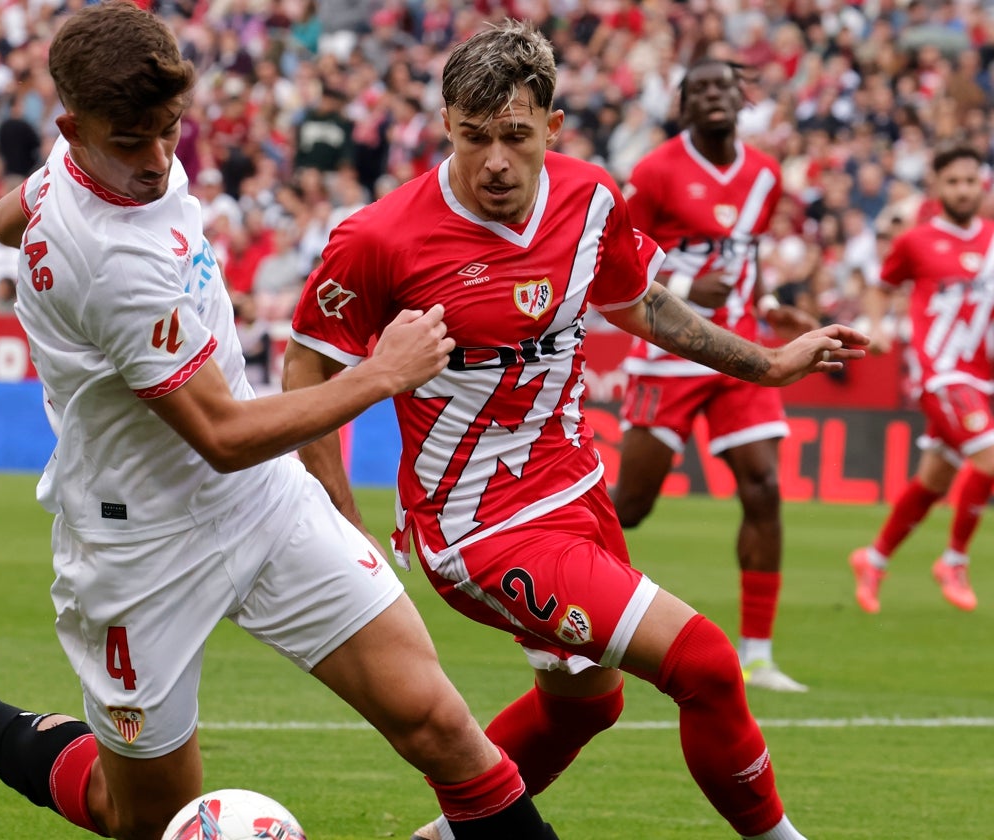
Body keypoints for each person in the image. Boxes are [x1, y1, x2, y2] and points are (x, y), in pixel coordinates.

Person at [0, 6, 560, 840]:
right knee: (138, 818)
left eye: (168, 132)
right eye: (130, 140)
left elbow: (12, 217)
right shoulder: (109, 263)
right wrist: (380, 374)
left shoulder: (81, 161)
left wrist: (48, 216)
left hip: (261, 501)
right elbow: (219, 436)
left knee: (442, 728)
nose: (155, 162)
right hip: (140, 543)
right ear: (72, 127)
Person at [284, 21, 866, 840]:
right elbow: (306, 369)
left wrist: (766, 366)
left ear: (552, 129)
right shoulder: (380, 237)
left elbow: (640, 303)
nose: (493, 160)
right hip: (479, 527)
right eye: (473, 136)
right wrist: (341, 530)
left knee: (585, 708)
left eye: (515, 137)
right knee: (705, 665)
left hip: (576, 492)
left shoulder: (591, 198)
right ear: (445, 122)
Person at [613, 57, 821, 694]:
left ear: (741, 97)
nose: (713, 96)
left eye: (723, 86)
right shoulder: (655, 172)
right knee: (633, 506)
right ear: (683, 105)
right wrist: (681, 284)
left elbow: (744, 256)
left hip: (739, 355)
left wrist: (765, 306)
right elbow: (615, 253)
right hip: (668, 352)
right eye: (698, 88)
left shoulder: (764, 174)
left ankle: (758, 654)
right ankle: (575, 617)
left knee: (763, 489)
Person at [849, 143, 993, 613]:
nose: (964, 190)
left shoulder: (992, 239)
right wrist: (876, 328)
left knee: (933, 481)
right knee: (990, 461)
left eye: (970, 181)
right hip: (940, 373)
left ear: (982, 184)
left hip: (982, 375)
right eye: (953, 182)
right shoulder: (917, 241)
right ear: (937, 188)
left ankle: (873, 558)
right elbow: (881, 286)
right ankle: (953, 559)